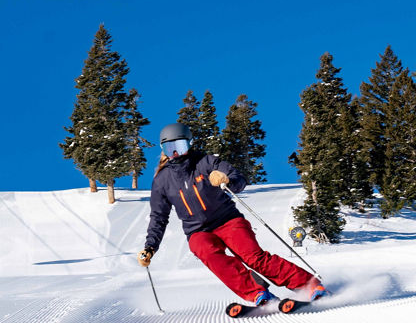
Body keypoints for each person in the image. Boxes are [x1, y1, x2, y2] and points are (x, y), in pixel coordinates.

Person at [138, 122, 327, 305]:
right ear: (163, 150)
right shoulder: (162, 181)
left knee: (254, 258)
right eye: (170, 148)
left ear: (189, 143)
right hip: (198, 231)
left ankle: (308, 285)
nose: (176, 153)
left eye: (179, 146)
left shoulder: (206, 162)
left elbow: (239, 178)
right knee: (208, 253)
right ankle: (256, 292)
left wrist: (226, 179)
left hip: (228, 221)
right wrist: (150, 247)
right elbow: (158, 217)